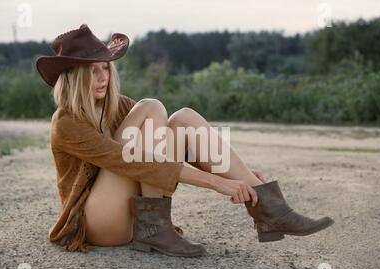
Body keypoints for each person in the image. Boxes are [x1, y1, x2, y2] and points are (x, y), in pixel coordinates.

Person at [36, 24, 334, 257]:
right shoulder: (66, 122)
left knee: (183, 119)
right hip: (99, 223)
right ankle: (154, 228)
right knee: (151, 107)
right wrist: (216, 182)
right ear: (73, 77)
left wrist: (237, 176)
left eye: (105, 68)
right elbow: (131, 160)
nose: (102, 77)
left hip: (128, 214)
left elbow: (168, 146)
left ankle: (268, 207)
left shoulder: (118, 105)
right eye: (91, 71)